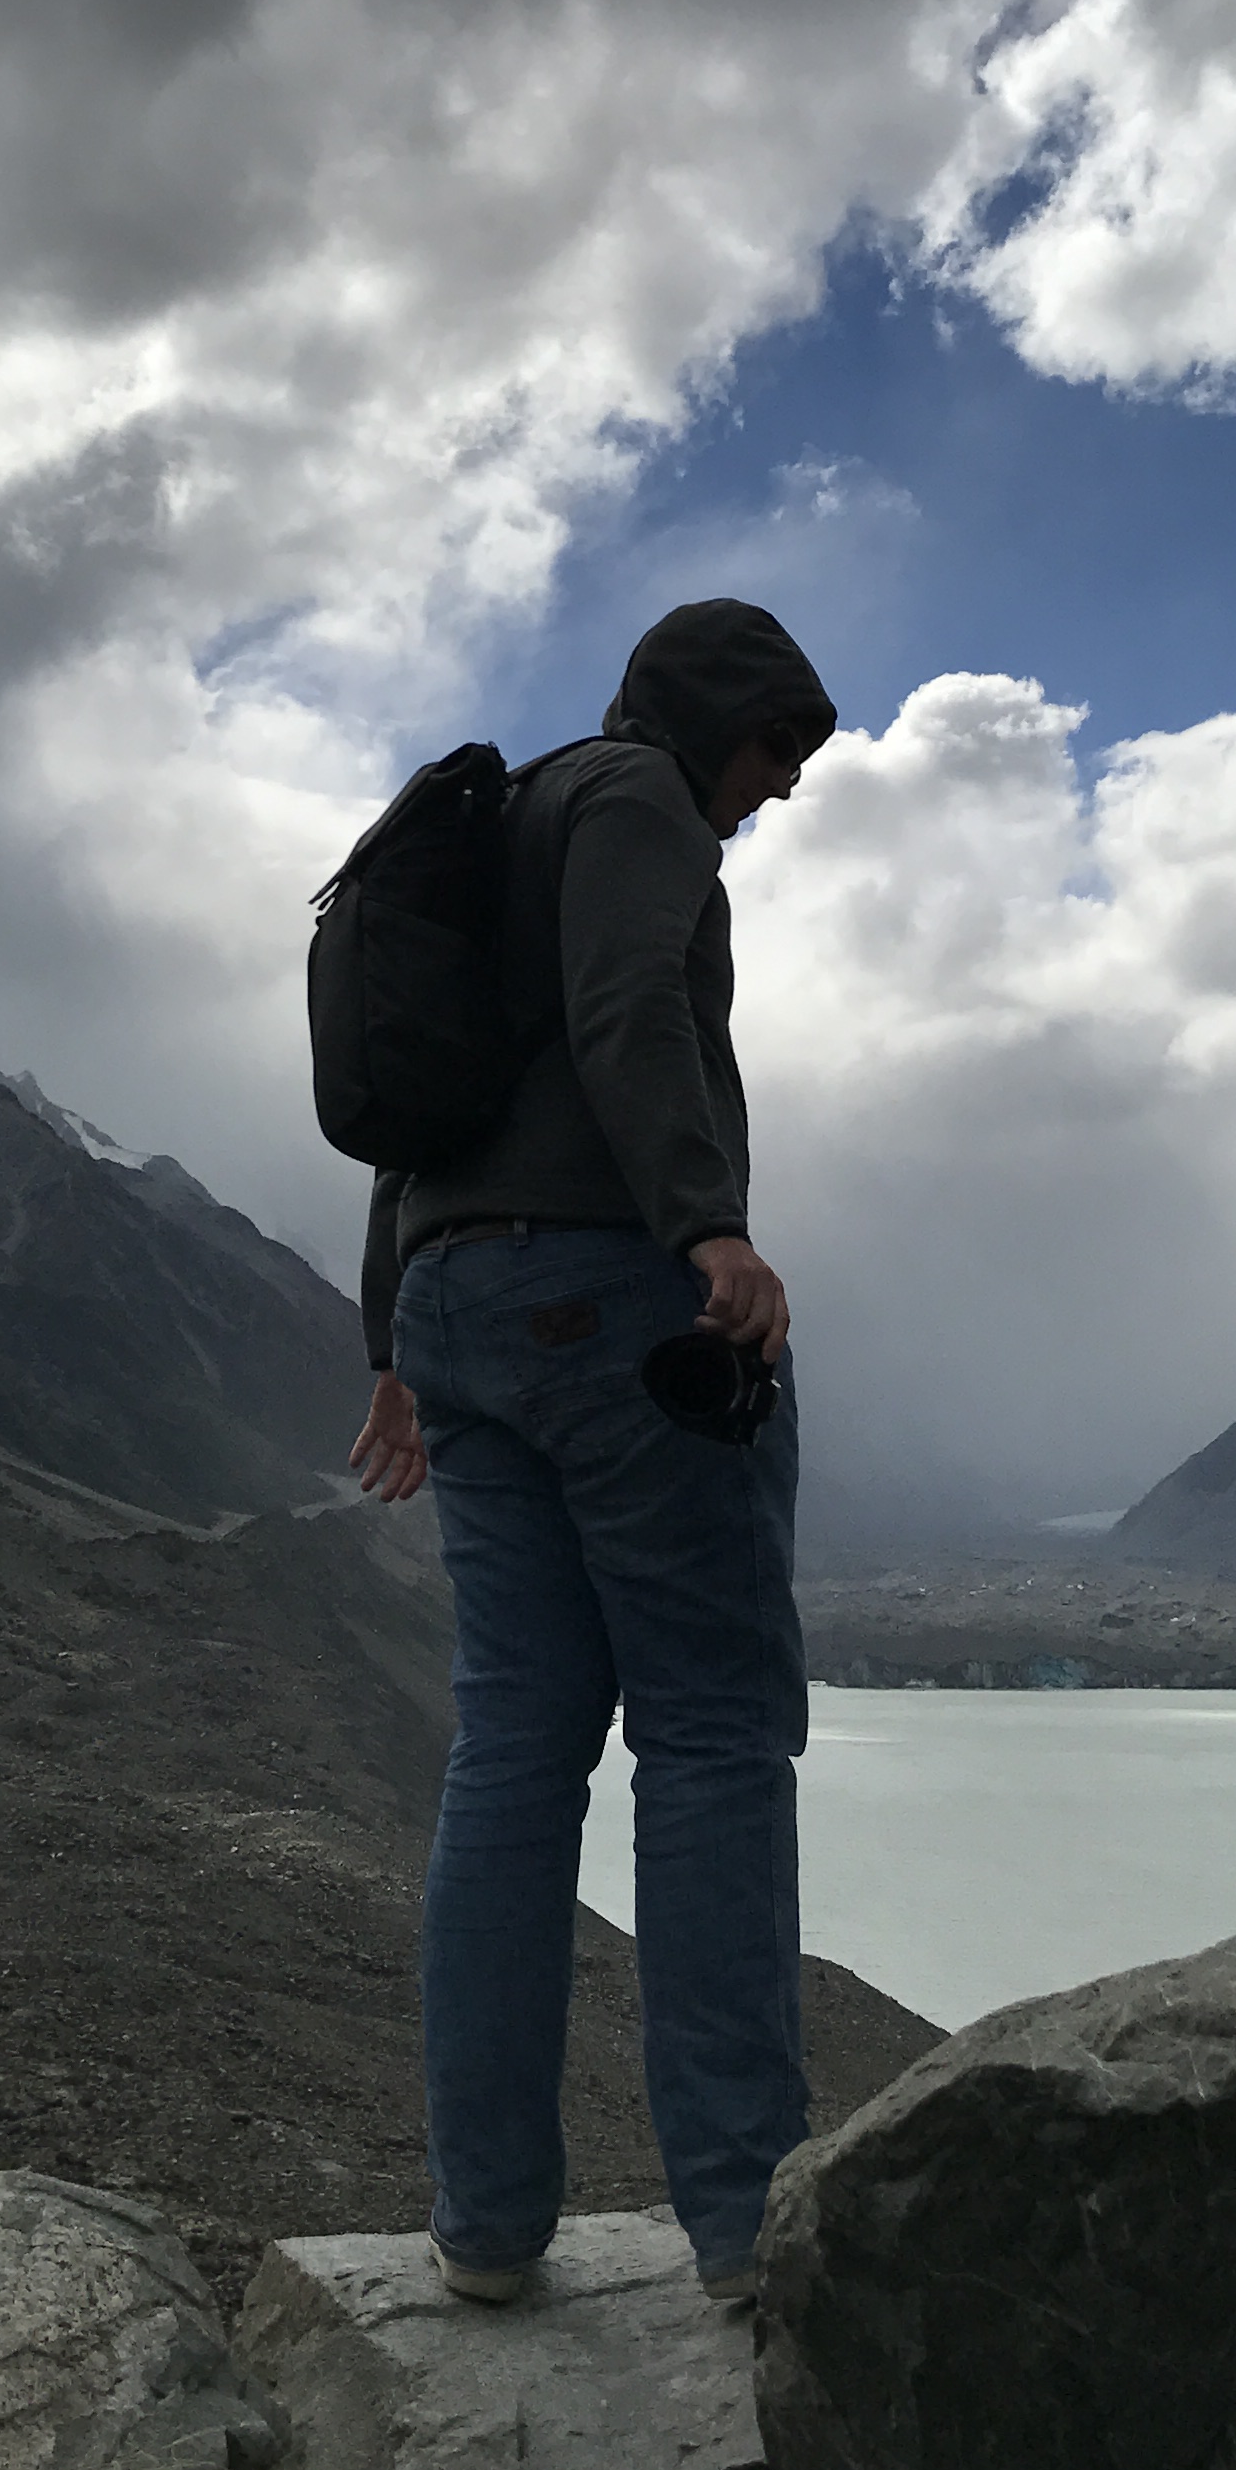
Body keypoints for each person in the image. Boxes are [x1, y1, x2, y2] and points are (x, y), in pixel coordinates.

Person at [349, 597, 838, 2307]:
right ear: (712, 713)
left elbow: (414, 1113)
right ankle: (750, 2230)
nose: (781, 788)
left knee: (513, 1752)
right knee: (711, 1738)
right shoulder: (637, 798)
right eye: (776, 745)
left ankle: (486, 2228)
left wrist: (394, 1350)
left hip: (462, 1314)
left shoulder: (504, 820)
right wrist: (708, 1227)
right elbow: (632, 1003)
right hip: (612, 1297)